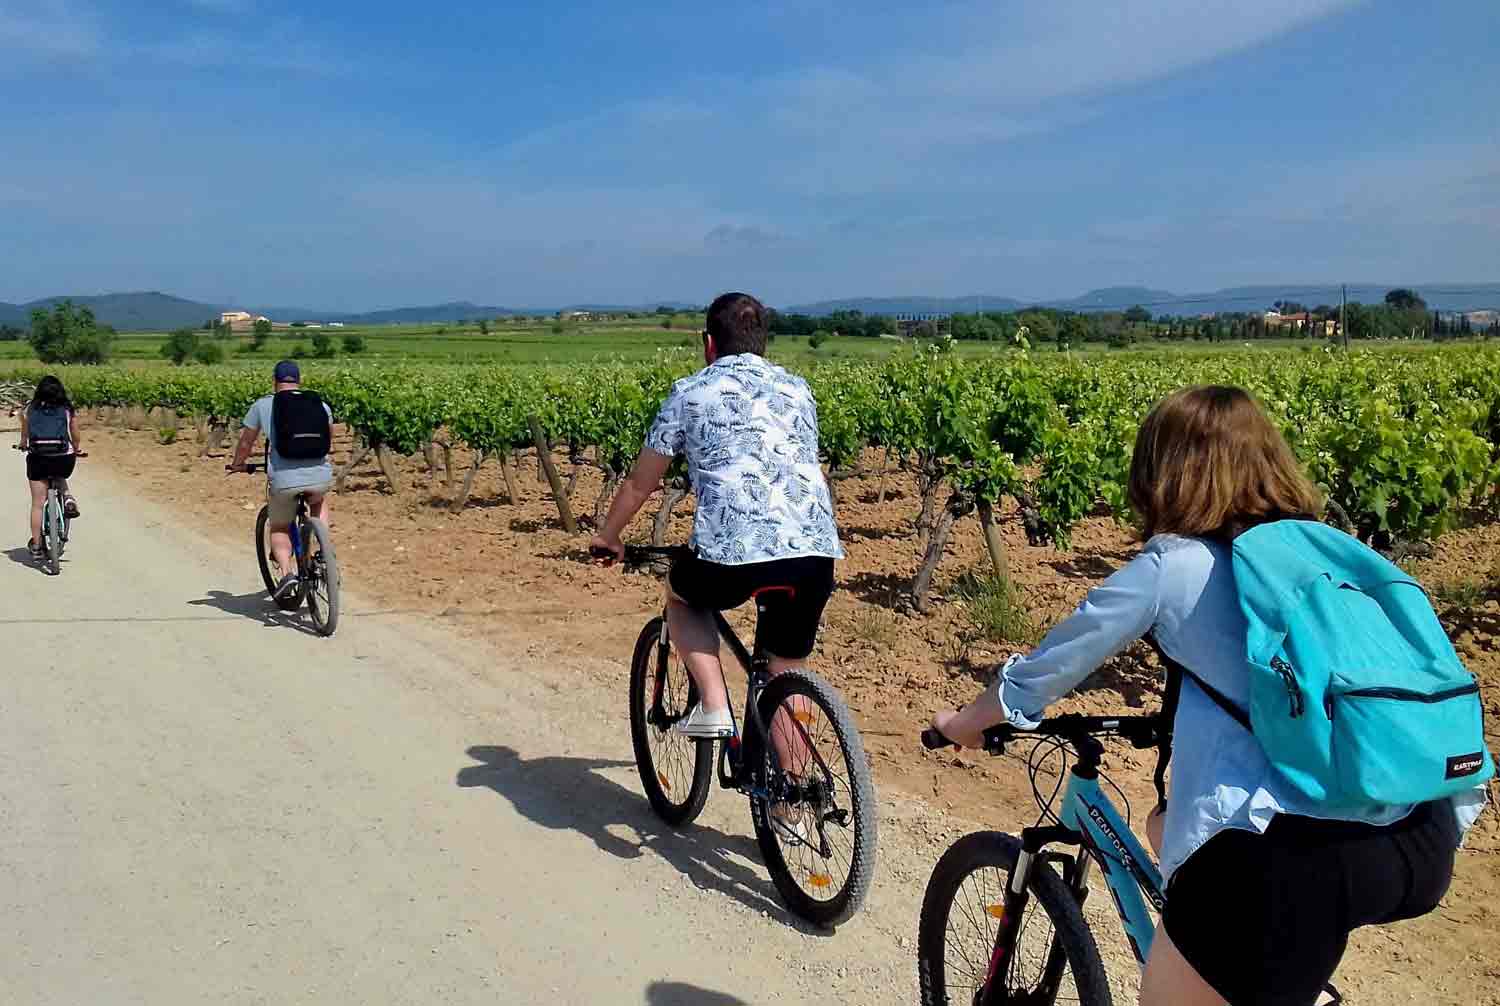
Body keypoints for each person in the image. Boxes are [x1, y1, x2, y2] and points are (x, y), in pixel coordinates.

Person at [931, 386, 1477, 1006]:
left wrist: (966, 722)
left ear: (1162, 473)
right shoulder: (1326, 551)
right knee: (1170, 833)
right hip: (1419, 836)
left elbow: (1047, 668)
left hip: (1295, 865)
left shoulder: (1176, 565)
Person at [591, 292, 844, 743]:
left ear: (709, 343)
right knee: (783, 671)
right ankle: (795, 805)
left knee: (682, 595)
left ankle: (712, 704)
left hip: (732, 553)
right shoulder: (798, 390)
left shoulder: (691, 392)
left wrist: (609, 535)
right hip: (814, 551)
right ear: (763, 342)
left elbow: (640, 482)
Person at [228, 360, 334, 599]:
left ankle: (287, 574)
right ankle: (321, 550)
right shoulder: (320, 404)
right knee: (318, 501)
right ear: (299, 380)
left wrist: (238, 464)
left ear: (274, 381)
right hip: (320, 474)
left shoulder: (263, 405)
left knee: (279, 525)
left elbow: (246, 442)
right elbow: (329, 436)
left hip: (285, 480)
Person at [18, 375, 82, 557]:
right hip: (63, 457)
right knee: (59, 473)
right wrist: (76, 448)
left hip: (38, 457)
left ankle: (37, 546)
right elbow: (75, 432)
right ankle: (68, 497)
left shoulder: (30, 408)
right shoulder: (67, 408)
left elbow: (25, 432)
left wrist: (23, 443)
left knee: (37, 504)